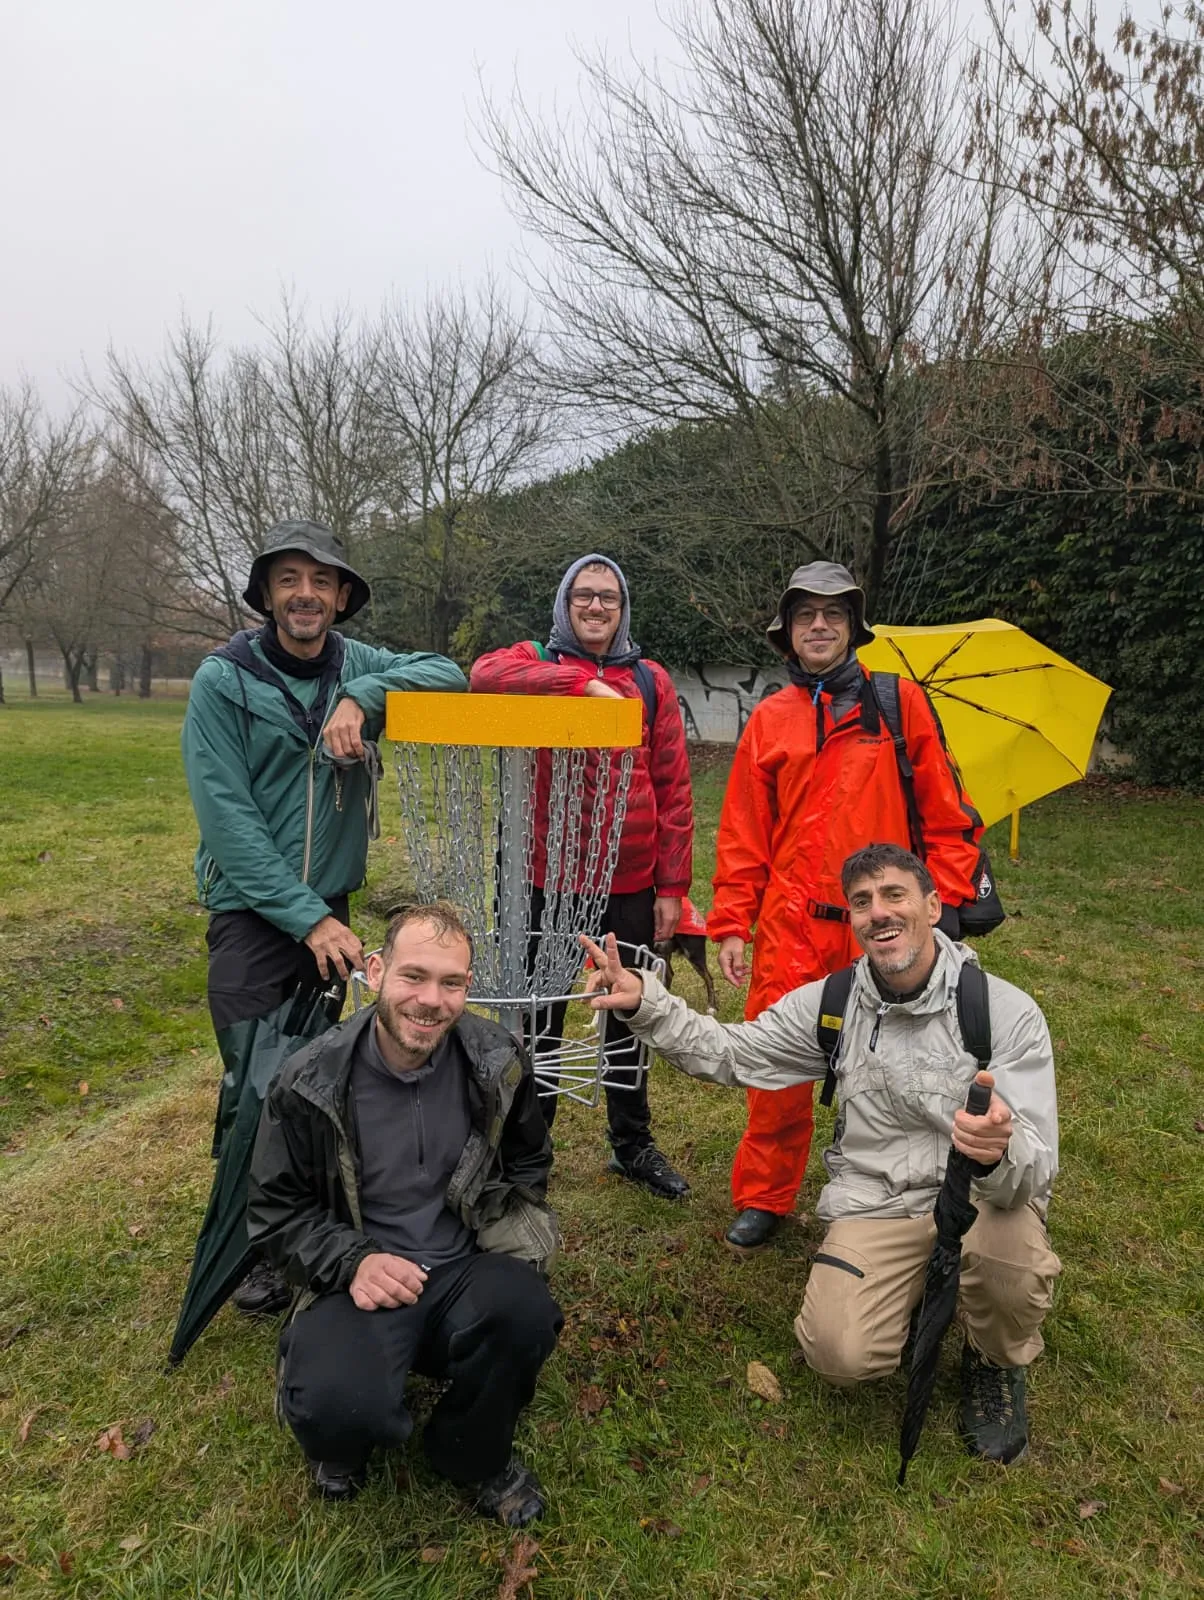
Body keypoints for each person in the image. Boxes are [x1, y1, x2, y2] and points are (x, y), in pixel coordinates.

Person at [585, 844, 1059, 1465]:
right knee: (839, 1355)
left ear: (934, 906)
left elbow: (1036, 1166)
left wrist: (997, 1153)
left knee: (1014, 1272)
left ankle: (992, 1358)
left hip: (980, 1200)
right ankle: (913, 1291)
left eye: (895, 895)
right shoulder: (833, 1003)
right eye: (861, 902)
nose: (878, 913)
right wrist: (648, 1001)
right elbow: (736, 1052)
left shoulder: (1005, 1013)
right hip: (878, 1202)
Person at [182, 520, 466, 1316]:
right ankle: (246, 1237)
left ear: (341, 598)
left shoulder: (356, 663)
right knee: (255, 1082)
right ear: (267, 595)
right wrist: (308, 920)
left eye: (321, 581)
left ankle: (291, 1237)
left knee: (310, 1082)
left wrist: (361, 696)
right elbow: (228, 821)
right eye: (288, 580)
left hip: (330, 911)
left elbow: (448, 673)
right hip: (253, 912)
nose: (305, 595)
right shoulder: (224, 681)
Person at [247, 902, 562, 1522]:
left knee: (526, 1315)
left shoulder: (496, 1059)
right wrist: (352, 1261)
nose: (430, 1000)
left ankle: (470, 1453)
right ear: (374, 971)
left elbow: (530, 1160)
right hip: (357, 1276)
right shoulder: (308, 1082)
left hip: (459, 1267)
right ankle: (327, 1397)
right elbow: (274, 1210)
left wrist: (506, 1230)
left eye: (451, 983)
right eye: (413, 976)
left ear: (468, 987)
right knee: (338, 1413)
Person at [709, 561, 984, 1254]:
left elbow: (949, 820)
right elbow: (744, 832)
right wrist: (732, 921)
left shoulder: (899, 705)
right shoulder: (770, 719)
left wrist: (941, 907)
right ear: (789, 633)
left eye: (833, 614)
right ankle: (765, 1195)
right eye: (807, 615)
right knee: (775, 1064)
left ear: (853, 627)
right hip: (788, 924)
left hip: (882, 922)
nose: (821, 625)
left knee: (891, 1066)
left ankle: (877, 1195)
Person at [470, 554, 694, 1201]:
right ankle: (529, 1154)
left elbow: (676, 789)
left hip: (629, 881)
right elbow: (484, 675)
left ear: (624, 610)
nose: (597, 608)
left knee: (629, 1012)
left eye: (610, 599)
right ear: (566, 603)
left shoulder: (651, 680)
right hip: (548, 876)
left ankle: (633, 1145)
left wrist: (672, 889)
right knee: (540, 1018)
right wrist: (579, 688)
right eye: (585, 596)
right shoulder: (535, 659)